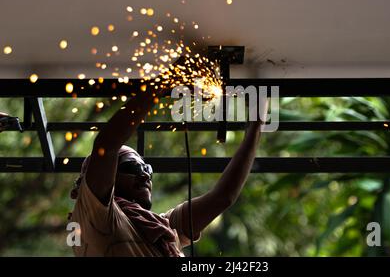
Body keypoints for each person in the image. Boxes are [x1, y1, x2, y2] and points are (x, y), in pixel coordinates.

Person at [69, 85, 265, 256]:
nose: (144, 174)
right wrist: (163, 83)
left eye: (147, 169)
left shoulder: (161, 229)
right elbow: (106, 145)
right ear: (107, 176)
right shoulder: (97, 219)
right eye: (132, 167)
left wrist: (256, 125)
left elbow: (223, 198)